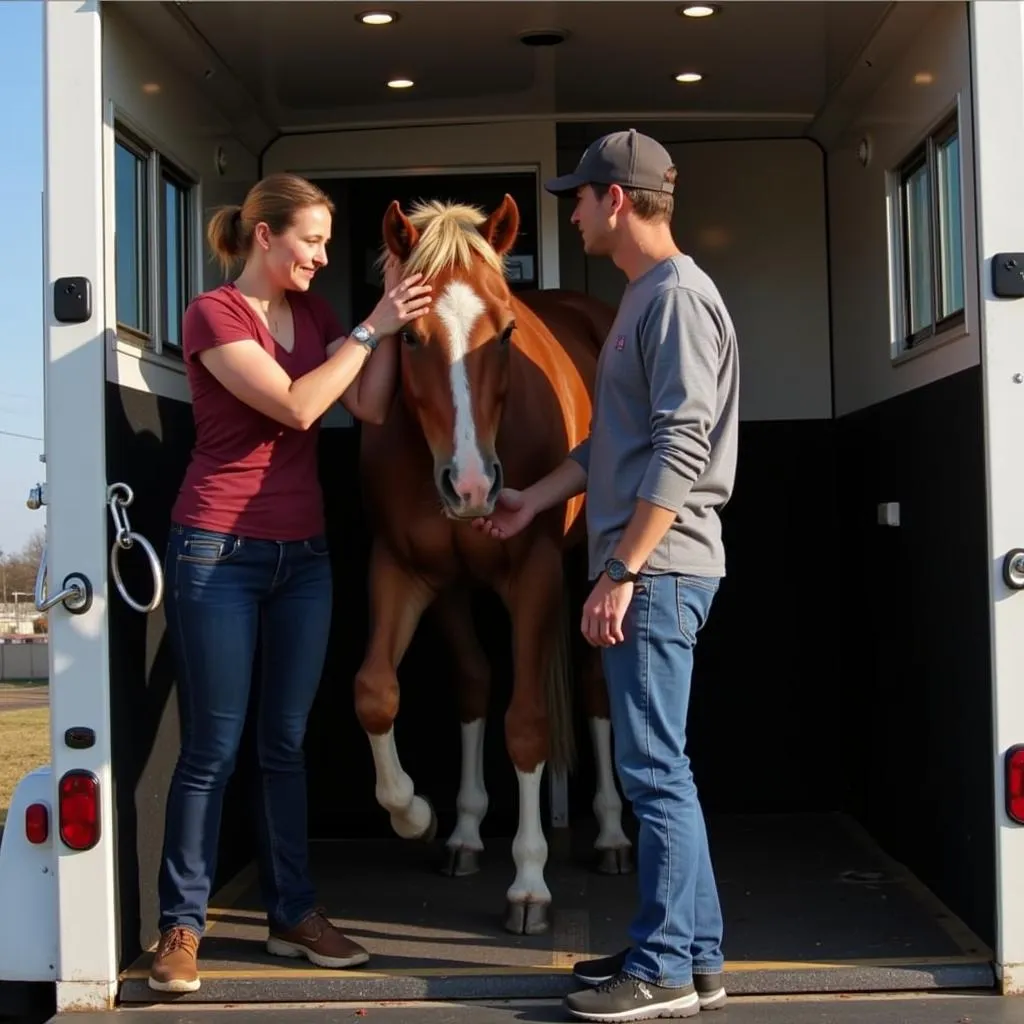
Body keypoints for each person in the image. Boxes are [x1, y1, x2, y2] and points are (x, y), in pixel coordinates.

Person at [473, 130, 739, 1022]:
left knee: (654, 772)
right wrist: (528, 499)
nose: (573, 211)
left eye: (579, 198)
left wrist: (621, 568)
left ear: (616, 200)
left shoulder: (677, 302)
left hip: (658, 570)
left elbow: (682, 447)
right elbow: (610, 445)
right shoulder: (641, 297)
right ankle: (692, 955)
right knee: (663, 768)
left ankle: (664, 968)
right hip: (649, 565)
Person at [148, 172, 432, 994]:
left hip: (301, 557)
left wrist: (391, 329)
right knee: (213, 747)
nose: (321, 255)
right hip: (217, 551)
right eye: (310, 240)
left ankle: (292, 914)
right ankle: (181, 926)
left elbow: (368, 407)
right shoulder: (215, 314)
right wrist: (372, 326)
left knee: (284, 745)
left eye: (328, 244)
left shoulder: (313, 316)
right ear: (264, 237)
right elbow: (301, 407)